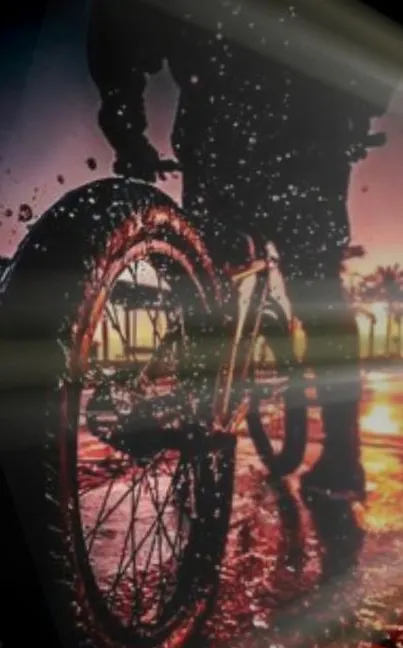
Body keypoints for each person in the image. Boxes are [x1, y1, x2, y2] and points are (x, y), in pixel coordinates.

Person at [87, 0, 393, 500]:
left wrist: (127, 128)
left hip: (222, 119)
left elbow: (119, 23)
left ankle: (191, 401)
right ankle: (342, 455)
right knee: (317, 287)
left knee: (207, 272)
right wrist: (359, 109)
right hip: (312, 126)